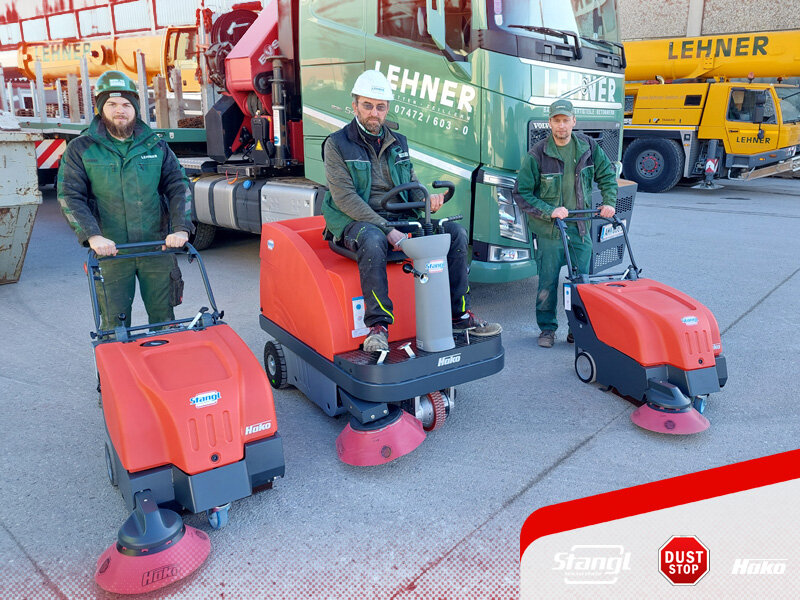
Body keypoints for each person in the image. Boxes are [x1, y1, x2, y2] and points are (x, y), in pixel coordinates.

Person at [322, 69, 501, 352]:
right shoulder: (337, 144)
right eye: (367, 105)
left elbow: (411, 182)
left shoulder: (398, 142)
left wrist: (426, 198)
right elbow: (345, 198)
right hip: (356, 220)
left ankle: (459, 314)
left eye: (380, 107)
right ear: (354, 105)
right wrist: (387, 229)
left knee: (454, 232)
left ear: (387, 109)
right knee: (373, 238)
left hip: (400, 215)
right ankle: (378, 327)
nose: (374, 113)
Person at [57, 70, 192, 331]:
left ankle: (164, 367)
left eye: (127, 104)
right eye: (112, 104)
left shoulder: (156, 146)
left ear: (136, 109)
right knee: (114, 325)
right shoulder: (81, 149)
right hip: (112, 252)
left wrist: (180, 228)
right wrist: (93, 237)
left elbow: (179, 187)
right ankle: (113, 371)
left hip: (156, 248)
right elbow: (69, 195)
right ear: (100, 108)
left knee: (165, 321)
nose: (120, 110)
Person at [513, 98, 618, 348]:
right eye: (556, 121)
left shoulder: (589, 147)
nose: (562, 126)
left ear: (574, 121)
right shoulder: (537, 154)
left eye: (566, 120)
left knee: (580, 282)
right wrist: (550, 210)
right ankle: (547, 329)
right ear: (550, 123)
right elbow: (522, 193)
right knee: (547, 281)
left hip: (580, 228)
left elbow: (607, 175)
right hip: (550, 232)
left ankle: (577, 328)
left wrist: (609, 201)